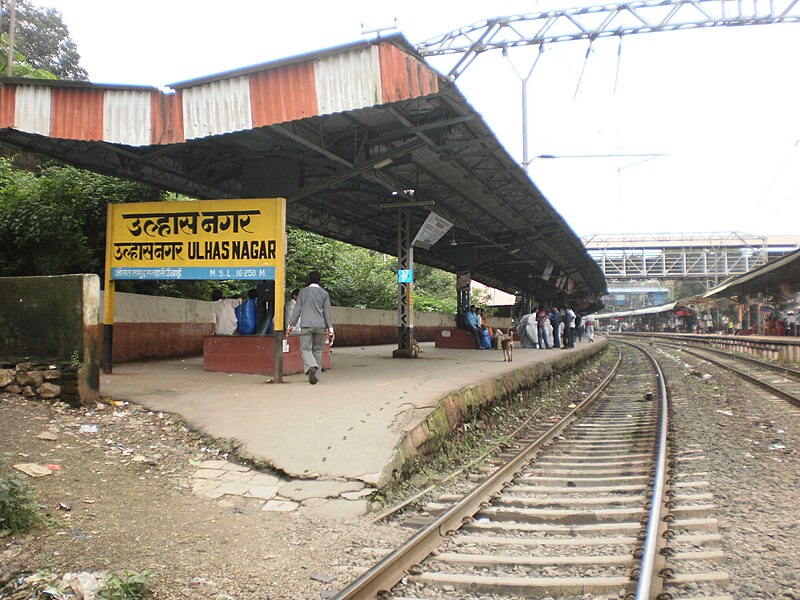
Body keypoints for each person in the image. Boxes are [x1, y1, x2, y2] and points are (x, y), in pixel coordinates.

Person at [286, 271, 335, 384]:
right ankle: (315, 377)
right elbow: (327, 312)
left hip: (306, 325)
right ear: (320, 279)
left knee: (305, 349)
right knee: (318, 349)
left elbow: (297, 309)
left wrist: (291, 325)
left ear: (309, 279)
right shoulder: (324, 293)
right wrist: (331, 329)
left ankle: (312, 366)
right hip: (320, 326)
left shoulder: (303, 292)